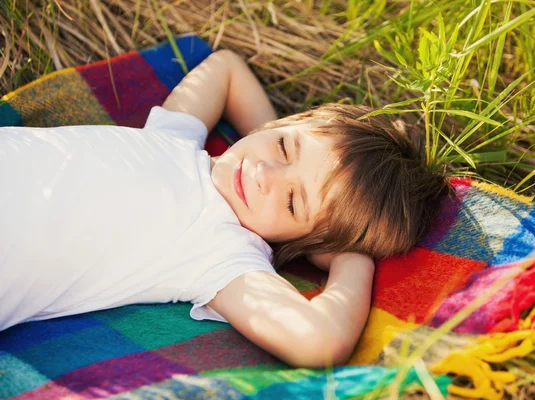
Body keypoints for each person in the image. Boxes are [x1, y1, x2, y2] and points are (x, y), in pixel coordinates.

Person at [0, 49, 450, 367]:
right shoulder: (175, 138)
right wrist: (278, 136)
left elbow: (319, 341)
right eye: (283, 147)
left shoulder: (222, 254)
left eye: (293, 201)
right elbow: (226, 67)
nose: (264, 174)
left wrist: (349, 259)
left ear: (304, 240)